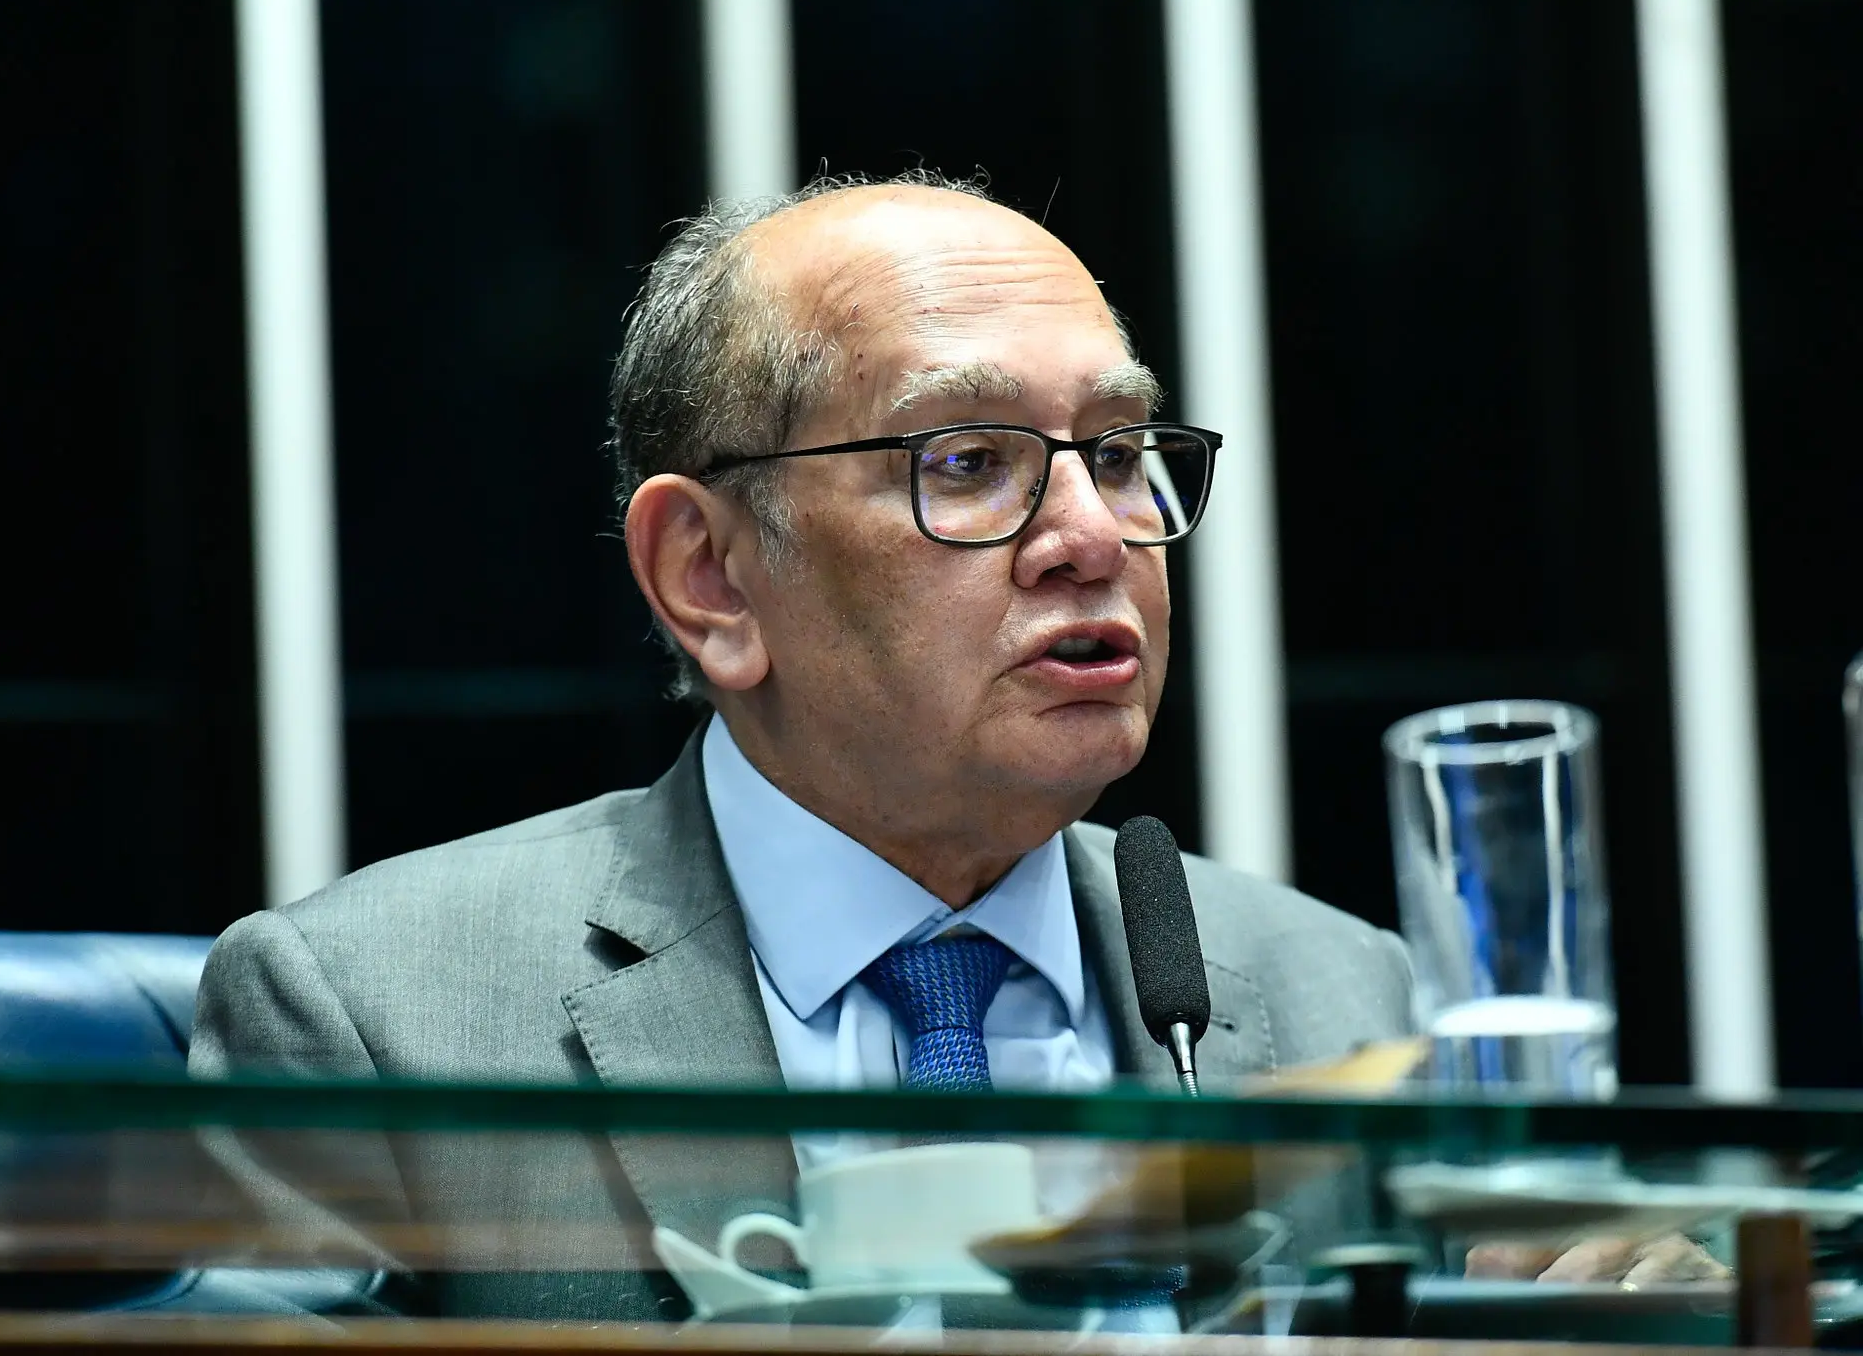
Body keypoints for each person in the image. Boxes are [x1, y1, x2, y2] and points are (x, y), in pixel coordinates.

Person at [189, 173, 1460, 1318]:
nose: (1091, 535)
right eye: (967, 460)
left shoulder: (1336, 994)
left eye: (1119, 452)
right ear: (709, 577)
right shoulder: (377, 1015)